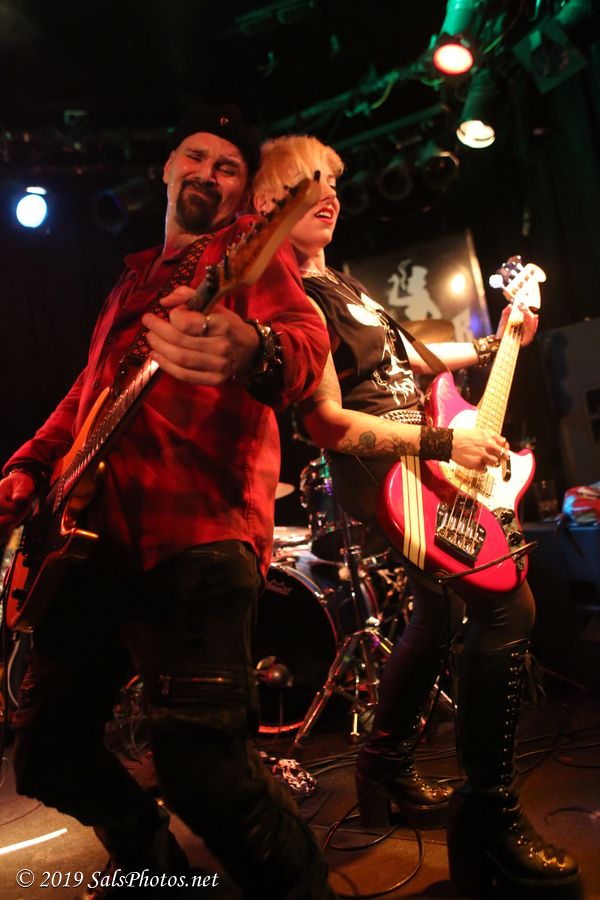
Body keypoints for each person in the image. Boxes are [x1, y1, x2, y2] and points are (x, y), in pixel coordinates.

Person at [0, 106, 339, 900]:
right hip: (88, 547)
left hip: (197, 539)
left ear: (244, 193)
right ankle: (154, 874)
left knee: (204, 774)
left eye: (228, 168)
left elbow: (304, 337)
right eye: (196, 156)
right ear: (167, 168)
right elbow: (86, 396)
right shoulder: (131, 280)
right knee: (46, 755)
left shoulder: (245, 256)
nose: (209, 174)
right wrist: (29, 467)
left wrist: (255, 348)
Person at [252, 135, 581, 899]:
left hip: (422, 450)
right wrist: (442, 441)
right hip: (388, 466)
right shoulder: (289, 295)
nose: (330, 193)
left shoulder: (337, 279)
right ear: (268, 204)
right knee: (507, 605)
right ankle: (488, 817)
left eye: (333, 180)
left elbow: (413, 360)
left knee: (438, 611)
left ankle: (385, 768)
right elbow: (329, 423)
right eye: (308, 183)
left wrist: (496, 342)